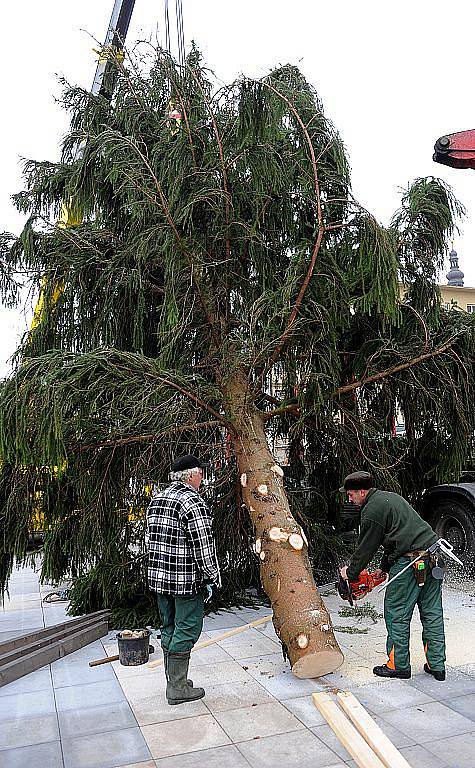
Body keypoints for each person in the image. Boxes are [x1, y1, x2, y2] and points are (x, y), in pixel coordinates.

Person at [339, 470, 446, 681]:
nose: (349, 499)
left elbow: (365, 548)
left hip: (410, 563)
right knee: (432, 613)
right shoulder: (390, 498)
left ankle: (398, 665)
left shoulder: (371, 510)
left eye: (351, 495)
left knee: (396, 613)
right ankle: (437, 665)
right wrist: (385, 568)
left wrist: (349, 575)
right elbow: (398, 537)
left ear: (362, 491)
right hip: (433, 556)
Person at [147, 454, 221, 705]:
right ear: (191, 475)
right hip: (185, 581)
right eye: (201, 472)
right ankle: (177, 688)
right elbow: (203, 546)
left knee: (168, 626)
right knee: (187, 629)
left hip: (159, 580)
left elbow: (150, 541)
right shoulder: (193, 502)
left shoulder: (157, 499)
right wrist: (212, 577)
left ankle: (174, 681)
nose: (202, 476)